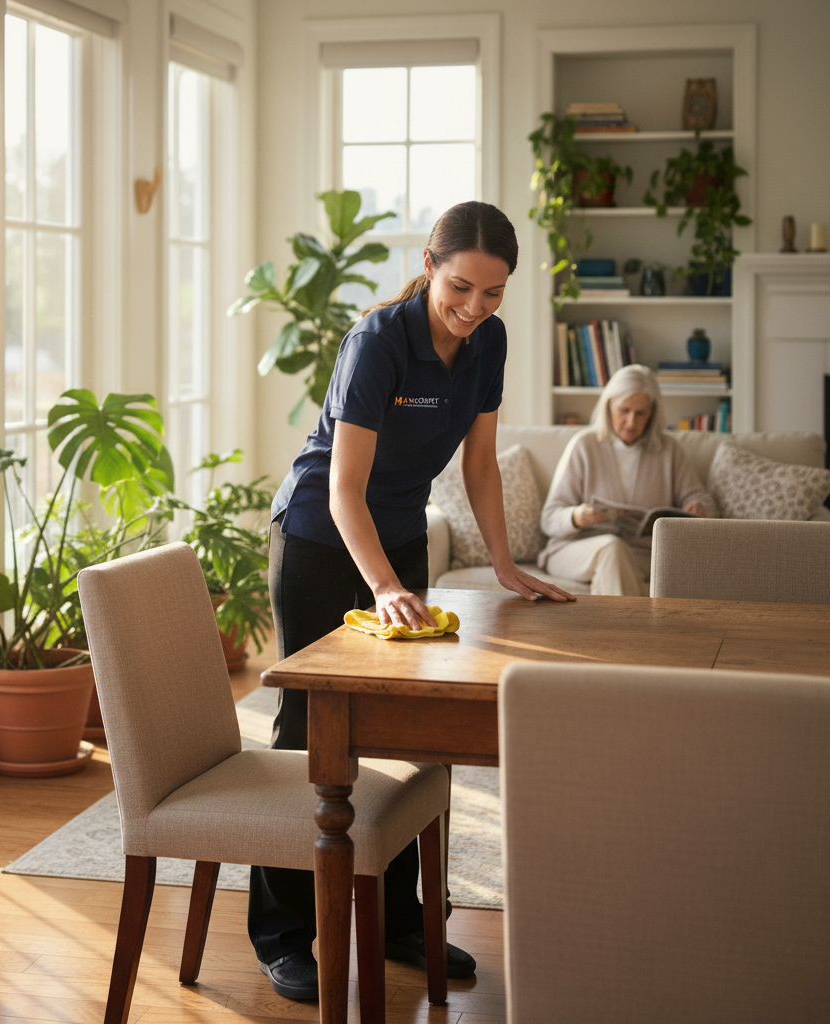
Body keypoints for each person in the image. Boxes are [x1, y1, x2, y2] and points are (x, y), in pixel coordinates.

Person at [250, 201, 575, 1002]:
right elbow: (344, 489)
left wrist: (505, 562)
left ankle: (398, 919)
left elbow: (483, 467)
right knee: (308, 731)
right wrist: (387, 584)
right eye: (461, 287)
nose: (473, 309)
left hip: (397, 538)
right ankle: (285, 934)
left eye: (493, 294)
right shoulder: (377, 342)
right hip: (325, 538)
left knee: (402, 718)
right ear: (430, 265)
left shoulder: (486, 343)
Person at [538, 364, 711, 596]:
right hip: (575, 550)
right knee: (612, 548)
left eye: (641, 413)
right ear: (608, 407)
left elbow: (700, 498)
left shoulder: (668, 451)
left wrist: (697, 508)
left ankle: (614, 632)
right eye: (624, 410)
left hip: (642, 555)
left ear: (652, 413)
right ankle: (636, 632)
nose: (631, 422)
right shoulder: (584, 446)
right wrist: (576, 517)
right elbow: (549, 518)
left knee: (617, 560)